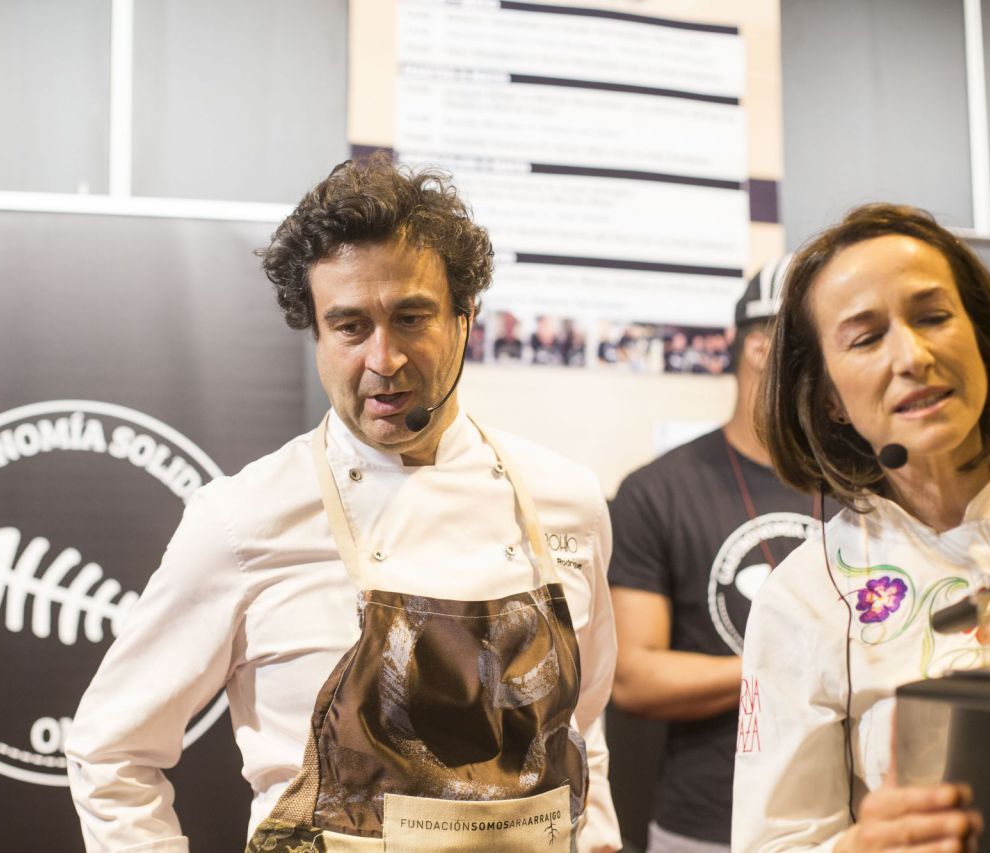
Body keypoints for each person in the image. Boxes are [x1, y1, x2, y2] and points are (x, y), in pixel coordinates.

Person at [65, 156, 622, 852]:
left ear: (464, 317)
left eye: (411, 316)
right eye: (351, 326)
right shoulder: (242, 520)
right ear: (318, 336)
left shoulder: (565, 501)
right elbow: (110, 749)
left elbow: (579, 723)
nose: (383, 359)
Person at [734, 203, 990, 851]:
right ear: (828, 397)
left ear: (982, 336)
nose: (914, 355)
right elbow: (774, 840)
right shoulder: (804, 597)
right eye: (866, 337)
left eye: (935, 316)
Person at [608, 256, 820, 852]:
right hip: (705, 827)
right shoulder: (658, 490)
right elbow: (635, 677)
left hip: (842, 817)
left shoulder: (860, 488)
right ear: (760, 347)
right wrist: (799, 661)